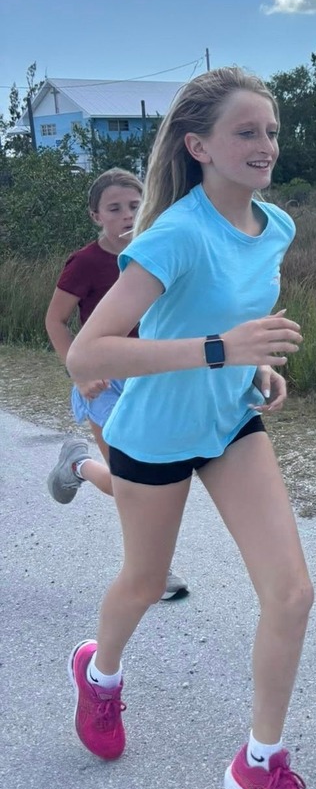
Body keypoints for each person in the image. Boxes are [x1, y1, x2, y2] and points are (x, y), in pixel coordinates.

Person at [65, 67, 316, 789]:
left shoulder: (275, 227)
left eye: (272, 131)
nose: (265, 144)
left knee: (292, 594)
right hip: (154, 435)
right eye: (246, 131)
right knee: (144, 582)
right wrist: (220, 351)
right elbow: (88, 354)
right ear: (198, 145)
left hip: (231, 426)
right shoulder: (174, 232)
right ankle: (99, 674)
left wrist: (258, 370)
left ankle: (260, 761)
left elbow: (242, 326)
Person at [44, 169, 188, 601]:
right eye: (115, 208)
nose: (127, 215)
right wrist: (81, 370)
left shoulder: (157, 253)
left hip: (152, 380)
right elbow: (55, 320)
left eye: (135, 206)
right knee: (130, 485)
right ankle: (153, 573)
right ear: (96, 216)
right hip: (103, 382)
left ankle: (77, 467)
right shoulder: (85, 262)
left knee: (155, 479)